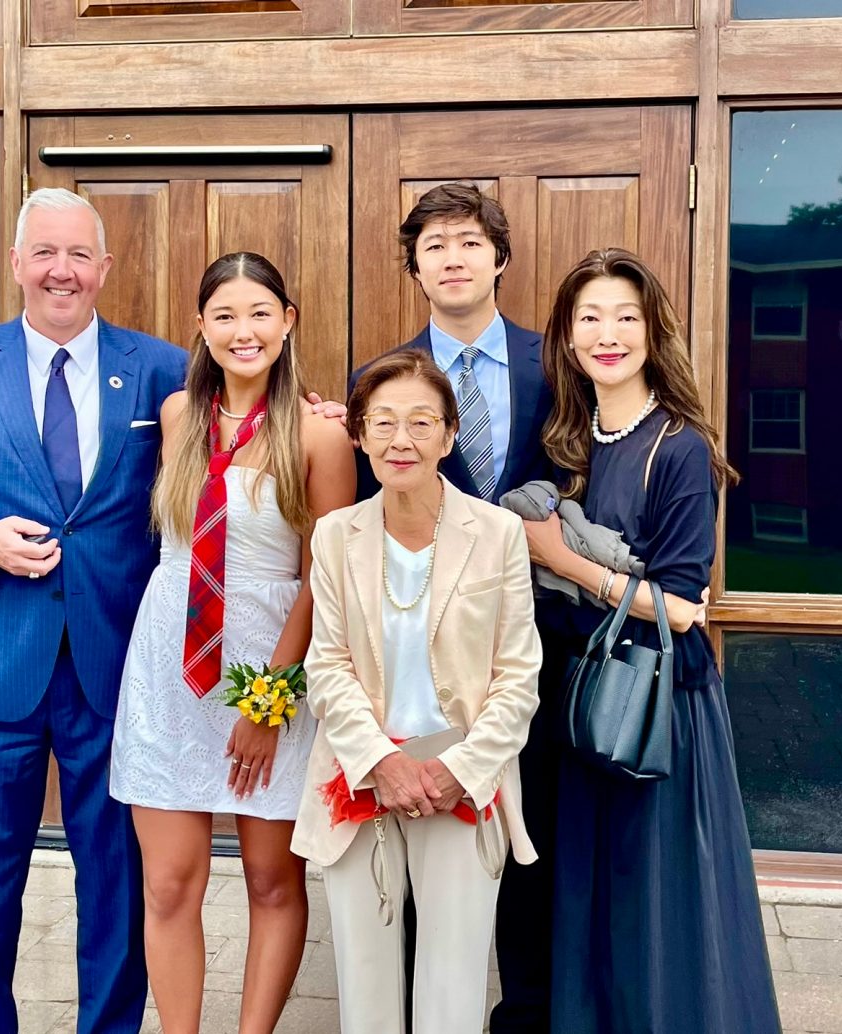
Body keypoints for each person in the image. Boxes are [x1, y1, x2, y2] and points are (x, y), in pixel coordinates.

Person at [0, 186, 187, 1034]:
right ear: (16, 264)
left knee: (117, 891)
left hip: (115, 671)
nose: (62, 271)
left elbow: (235, 438)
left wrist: (309, 418)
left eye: (79, 255)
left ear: (105, 268)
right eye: (44, 253)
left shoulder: (160, 369)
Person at [522, 248, 781, 1034]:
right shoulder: (571, 439)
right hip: (581, 697)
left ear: (651, 329)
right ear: (567, 337)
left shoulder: (680, 447)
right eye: (590, 317)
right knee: (595, 896)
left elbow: (678, 605)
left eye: (625, 317)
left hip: (657, 704)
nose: (608, 334)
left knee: (656, 900)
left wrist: (561, 559)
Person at [109, 252, 355, 1034]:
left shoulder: (320, 435)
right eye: (225, 315)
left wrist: (270, 702)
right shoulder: (179, 416)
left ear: (288, 320)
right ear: (201, 326)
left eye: (259, 313)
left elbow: (323, 579)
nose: (242, 330)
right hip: (169, 669)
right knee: (168, 885)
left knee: (271, 880)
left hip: (265, 669)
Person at [351, 181, 559, 1033]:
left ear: (499, 257)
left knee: (524, 838)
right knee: (414, 858)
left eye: (469, 241)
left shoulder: (559, 363)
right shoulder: (382, 378)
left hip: (538, 637)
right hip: (417, 663)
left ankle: (526, 1011)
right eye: (434, 244)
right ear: (415, 268)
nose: (453, 257)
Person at [292, 349, 542, 1034]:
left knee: (453, 982)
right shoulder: (337, 536)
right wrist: (381, 761)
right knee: (364, 985)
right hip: (362, 769)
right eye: (384, 423)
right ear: (360, 434)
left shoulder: (497, 534)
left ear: (449, 435)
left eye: (421, 423)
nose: (401, 440)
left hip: (461, 769)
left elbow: (518, 676)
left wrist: (459, 768)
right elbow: (329, 666)